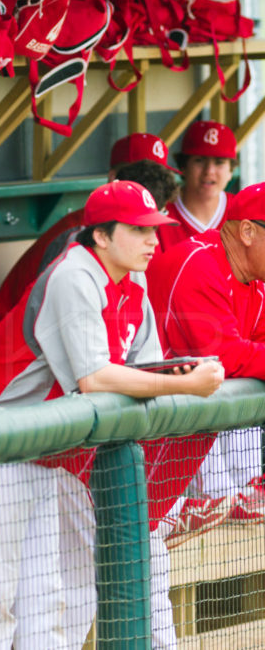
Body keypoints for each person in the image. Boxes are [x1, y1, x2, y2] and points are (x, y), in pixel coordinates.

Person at [0, 181, 224, 649]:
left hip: (45, 452)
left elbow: (143, 367)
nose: (154, 240)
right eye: (139, 230)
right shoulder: (74, 275)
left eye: (155, 229)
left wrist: (181, 370)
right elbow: (93, 378)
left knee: (48, 600)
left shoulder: (131, 280)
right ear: (101, 236)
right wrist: (184, 385)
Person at [147, 183, 265, 535]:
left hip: (172, 463)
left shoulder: (255, 282)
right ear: (247, 231)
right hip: (128, 460)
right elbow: (228, 357)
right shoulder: (198, 264)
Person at [0, 133, 179, 323]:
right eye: (142, 176)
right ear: (115, 179)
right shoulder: (79, 235)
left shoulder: (135, 237)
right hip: (18, 338)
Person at [158, 120, 238, 252]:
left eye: (219, 162)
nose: (209, 171)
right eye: (199, 161)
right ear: (183, 166)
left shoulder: (243, 212)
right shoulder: (161, 215)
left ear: (231, 170)